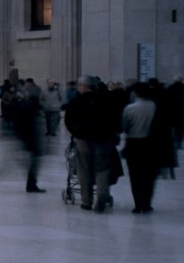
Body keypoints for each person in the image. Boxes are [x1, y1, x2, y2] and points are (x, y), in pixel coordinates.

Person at [64, 75, 116, 213]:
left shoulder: (76, 101)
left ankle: (86, 201)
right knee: (102, 168)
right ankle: (102, 194)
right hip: (103, 139)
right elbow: (114, 118)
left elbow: (68, 120)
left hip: (83, 140)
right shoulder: (107, 99)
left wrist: (74, 132)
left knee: (83, 169)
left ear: (83, 86)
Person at [120, 81, 163, 214]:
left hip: (134, 144)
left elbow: (124, 127)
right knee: (150, 175)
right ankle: (147, 202)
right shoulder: (155, 106)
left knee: (135, 175)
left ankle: (138, 204)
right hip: (152, 144)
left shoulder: (130, 108)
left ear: (136, 93)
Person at [5, 78, 45, 192]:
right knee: (30, 162)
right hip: (27, 136)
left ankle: (31, 184)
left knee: (30, 162)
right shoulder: (23, 104)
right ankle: (31, 184)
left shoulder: (24, 102)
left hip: (26, 136)